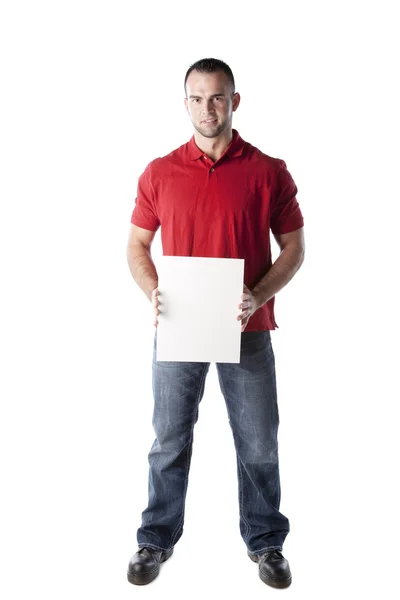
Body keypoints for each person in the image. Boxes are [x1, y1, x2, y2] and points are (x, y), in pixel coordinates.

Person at [125, 57, 305, 588]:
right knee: (168, 440)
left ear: (235, 101)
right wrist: (151, 289)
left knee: (258, 442)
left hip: (247, 330)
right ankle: (154, 540)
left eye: (219, 97)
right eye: (198, 98)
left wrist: (259, 294)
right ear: (186, 103)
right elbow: (137, 244)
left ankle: (266, 542)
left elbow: (294, 248)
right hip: (179, 329)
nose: (209, 108)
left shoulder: (269, 170)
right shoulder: (159, 171)